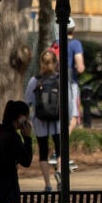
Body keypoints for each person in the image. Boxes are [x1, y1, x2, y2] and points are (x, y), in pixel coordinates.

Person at [24, 49, 73, 191]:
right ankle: (59, 172)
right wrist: (68, 118)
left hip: (40, 122)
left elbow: (28, 101)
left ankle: (47, 184)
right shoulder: (60, 80)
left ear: (41, 63)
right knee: (61, 149)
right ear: (56, 63)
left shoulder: (35, 80)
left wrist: (28, 119)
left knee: (43, 152)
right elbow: (68, 101)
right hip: (58, 121)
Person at [0, 100, 34, 203]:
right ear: (22, 117)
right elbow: (26, 161)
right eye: (26, 117)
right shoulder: (12, 137)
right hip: (8, 190)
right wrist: (27, 138)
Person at [64, 18, 86, 133]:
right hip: (70, 83)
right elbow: (80, 67)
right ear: (73, 29)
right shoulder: (75, 44)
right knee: (73, 117)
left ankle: (56, 145)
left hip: (55, 84)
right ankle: (61, 148)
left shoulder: (55, 43)